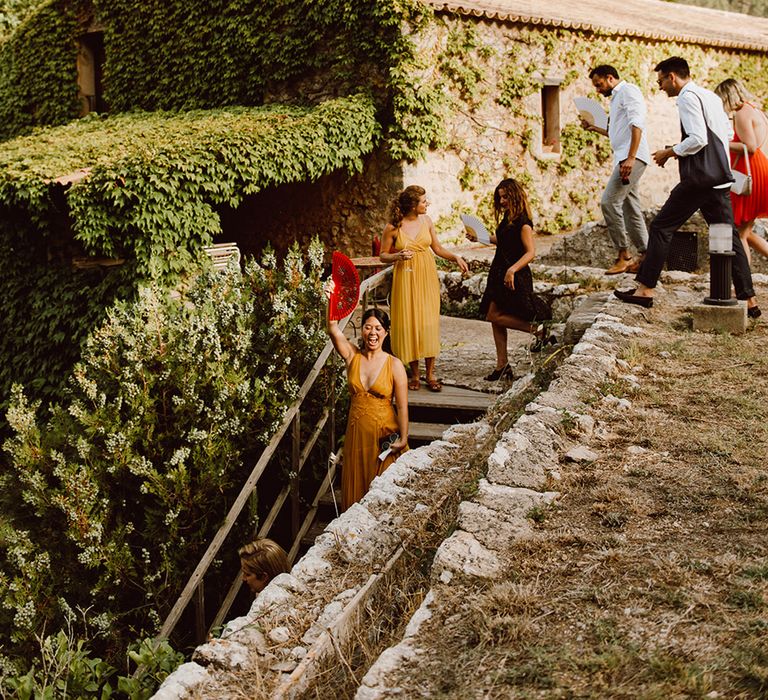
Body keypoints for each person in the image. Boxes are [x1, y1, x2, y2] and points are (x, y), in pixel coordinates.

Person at [615, 56, 760, 317]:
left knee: (661, 226)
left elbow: (698, 139)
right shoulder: (711, 97)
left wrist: (670, 152)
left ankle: (645, 290)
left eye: (660, 81)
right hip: (720, 178)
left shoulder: (687, 97)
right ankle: (750, 300)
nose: (660, 87)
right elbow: (726, 137)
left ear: (673, 77)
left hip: (699, 180)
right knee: (729, 236)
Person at [379, 185, 469, 392]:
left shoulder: (427, 221)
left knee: (428, 322)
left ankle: (430, 374)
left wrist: (456, 256)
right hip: (405, 276)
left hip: (427, 275)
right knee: (410, 321)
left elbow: (436, 249)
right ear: (412, 205)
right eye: (423, 201)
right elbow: (383, 255)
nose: (427, 203)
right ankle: (415, 375)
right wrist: (397, 256)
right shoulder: (393, 227)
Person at [325, 299, 409, 510]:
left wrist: (404, 437)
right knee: (357, 491)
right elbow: (332, 328)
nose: (373, 333)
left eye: (378, 328)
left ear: (386, 332)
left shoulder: (395, 364)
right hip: (356, 436)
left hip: (384, 435)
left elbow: (402, 406)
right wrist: (332, 299)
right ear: (362, 330)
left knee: (384, 493)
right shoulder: (353, 356)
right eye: (368, 327)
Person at [467, 178, 552, 381]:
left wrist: (512, 270)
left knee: (493, 316)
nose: (502, 201)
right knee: (495, 318)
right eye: (500, 197)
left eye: (505, 197)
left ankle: (539, 331)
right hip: (499, 273)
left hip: (514, 275)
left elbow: (531, 252)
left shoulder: (524, 223)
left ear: (515, 195)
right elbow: (503, 240)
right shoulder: (508, 218)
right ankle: (502, 365)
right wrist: (480, 238)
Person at [582, 65, 651, 275]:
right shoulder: (616, 98)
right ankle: (647, 256)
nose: (598, 90)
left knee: (609, 202)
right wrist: (594, 127)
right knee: (631, 207)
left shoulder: (628, 91)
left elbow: (637, 123)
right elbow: (618, 133)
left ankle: (623, 255)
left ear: (610, 78)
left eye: (599, 84)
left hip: (632, 158)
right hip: (625, 157)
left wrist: (630, 158)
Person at [715, 78, 768, 269]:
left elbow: (750, 147)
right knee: (747, 230)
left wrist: (720, 142)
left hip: (750, 171)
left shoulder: (741, 113)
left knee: (740, 233)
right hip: (759, 168)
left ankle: (744, 284)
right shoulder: (755, 109)